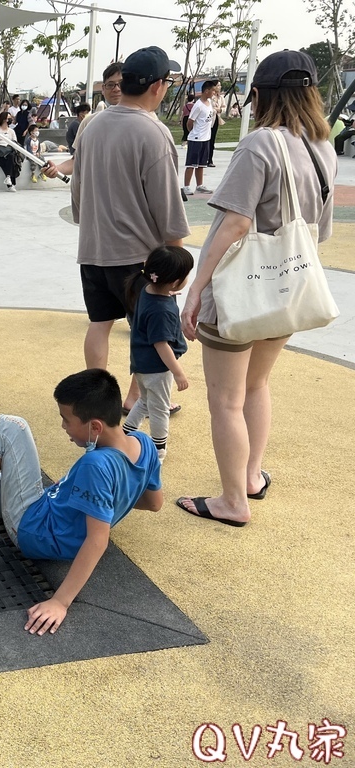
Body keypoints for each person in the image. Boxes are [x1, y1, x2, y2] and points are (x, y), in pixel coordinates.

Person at [179, 50, 336, 526]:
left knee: (225, 399)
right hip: (289, 291)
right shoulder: (321, 146)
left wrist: (195, 288)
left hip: (240, 293)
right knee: (257, 385)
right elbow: (319, 231)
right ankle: (250, 477)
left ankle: (233, 502)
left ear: (260, 95)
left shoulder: (259, 145)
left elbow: (233, 225)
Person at [0, 369, 163, 635]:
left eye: (66, 420)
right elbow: (153, 502)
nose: (63, 427)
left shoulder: (97, 464)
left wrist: (60, 601)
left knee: (10, 427)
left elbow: (97, 540)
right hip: (45, 511)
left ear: (95, 427)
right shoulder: (144, 443)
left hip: (34, 528)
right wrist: (112, 502)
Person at [70, 46, 189, 414]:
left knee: (99, 323)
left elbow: (77, 188)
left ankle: (97, 401)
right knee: (150, 333)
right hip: (139, 257)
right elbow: (167, 204)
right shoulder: (153, 132)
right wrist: (177, 260)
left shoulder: (93, 126)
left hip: (93, 249)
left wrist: (86, 221)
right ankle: (140, 398)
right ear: (156, 86)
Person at [122, 245, 193, 462]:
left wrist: (168, 292)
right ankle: (158, 450)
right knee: (160, 409)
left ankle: (124, 435)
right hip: (157, 368)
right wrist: (178, 372)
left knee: (144, 401)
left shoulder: (148, 288)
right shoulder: (161, 310)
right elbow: (162, 345)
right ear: (174, 282)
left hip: (142, 363)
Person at [44, 63, 124, 179]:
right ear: (103, 89)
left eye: (121, 84)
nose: (116, 89)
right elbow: (76, 161)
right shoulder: (89, 123)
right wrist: (56, 169)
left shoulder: (143, 124)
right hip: (94, 194)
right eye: (110, 85)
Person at [183, 80, 218, 195]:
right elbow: (190, 122)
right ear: (206, 91)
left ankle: (200, 185)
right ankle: (186, 186)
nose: (214, 92)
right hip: (196, 139)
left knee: (201, 164)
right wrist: (193, 133)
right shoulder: (198, 106)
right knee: (191, 164)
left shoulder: (209, 102)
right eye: (213, 90)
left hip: (206, 138)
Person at [0, 110, 19, 191]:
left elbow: (15, 143)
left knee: (11, 158)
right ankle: (12, 183)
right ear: (4, 119)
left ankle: (8, 178)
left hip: (9, 152)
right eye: (8, 118)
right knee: (8, 162)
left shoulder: (12, 131)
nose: (10, 120)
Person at [207, 82, 226, 167]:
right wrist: (215, 110)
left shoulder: (221, 97)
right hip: (209, 120)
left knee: (212, 140)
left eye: (220, 85)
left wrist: (220, 110)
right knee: (206, 139)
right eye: (218, 85)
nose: (220, 86)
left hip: (216, 120)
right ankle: (204, 158)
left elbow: (224, 107)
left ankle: (210, 159)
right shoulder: (210, 97)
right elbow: (208, 108)